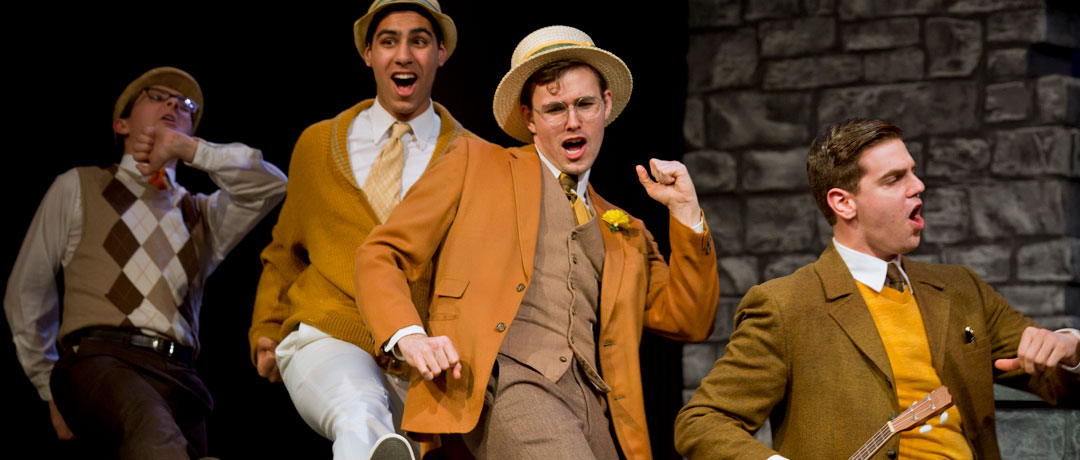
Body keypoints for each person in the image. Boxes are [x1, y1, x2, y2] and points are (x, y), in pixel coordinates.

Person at [354, 25, 720, 460]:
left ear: (605, 106)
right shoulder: (477, 164)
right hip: (506, 382)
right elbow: (381, 253)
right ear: (529, 118)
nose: (572, 120)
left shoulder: (624, 228)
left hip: (594, 405)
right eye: (554, 108)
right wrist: (409, 336)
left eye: (584, 104)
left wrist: (686, 215)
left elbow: (690, 319)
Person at [674, 118, 1080, 460]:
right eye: (894, 179)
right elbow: (702, 423)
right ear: (843, 203)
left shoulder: (961, 289)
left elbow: (1059, 383)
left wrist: (1070, 347)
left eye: (913, 171)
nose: (918, 186)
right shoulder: (787, 305)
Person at [4, 66, 287, 459]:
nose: (174, 103)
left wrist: (191, 150)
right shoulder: (79, 186)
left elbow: (271, 185)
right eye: (157, 95)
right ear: (121, 124)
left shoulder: (202, 213)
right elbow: (27, 292)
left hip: (180, 376)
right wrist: (45, 385)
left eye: (187, 105)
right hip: (101, 359)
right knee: (155, 432)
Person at [247, 1, 475, 458]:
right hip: (326, 328)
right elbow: (285, 248)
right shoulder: (316, 144)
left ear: (442, 52)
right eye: (389, 41)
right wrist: (266, 327)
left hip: (420, 358)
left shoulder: (474, 157)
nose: (404, 55)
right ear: (368, 54)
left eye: (420, 40)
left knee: (389, 444)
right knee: (359, 409)